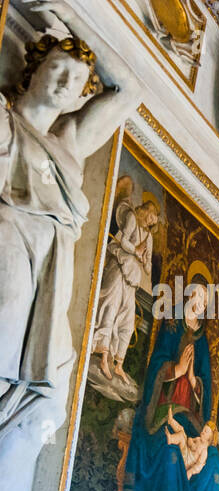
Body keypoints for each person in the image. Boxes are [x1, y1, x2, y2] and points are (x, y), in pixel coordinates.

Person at [0, 0, 141, 443]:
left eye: (78, 79)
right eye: (60, 68)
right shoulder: (4, 122)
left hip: (51, 275)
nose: (67, 83)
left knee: (46, 389)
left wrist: (74, 15)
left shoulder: (70, 144)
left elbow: (129, 92)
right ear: (34, 68)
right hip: (8, 246)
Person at [71, 280, 219, 491]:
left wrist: (195, 382)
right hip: (159, 420)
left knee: (212, 468)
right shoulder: (171, 331)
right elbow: (155, 371)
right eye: (194, 297)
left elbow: (207, 398)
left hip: (191, 426)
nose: (198, 304)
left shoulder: (203, 343)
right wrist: (177, 370)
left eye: (204, 301)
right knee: (171, 459)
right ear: (185, 299)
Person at [91, 197, 158, 384]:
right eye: (152, 216)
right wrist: (136, 251)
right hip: (119, 268)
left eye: (155, 219)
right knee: (110, 310)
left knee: (128, 321)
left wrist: (146, 263)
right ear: (147, 211)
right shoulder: (132, 218)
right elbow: (124, 242)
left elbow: (148, 264)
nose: (153, 221)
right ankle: (103, 357)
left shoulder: (149, 237)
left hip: (132, 277)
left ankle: (118, 363)